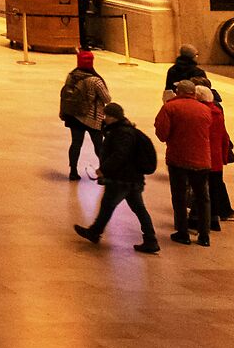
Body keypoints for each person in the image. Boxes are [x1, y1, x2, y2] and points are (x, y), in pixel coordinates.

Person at [74, 101, 160, 253]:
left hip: (122, 179)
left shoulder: (122, 133)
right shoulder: (122, 130)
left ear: (113, 117)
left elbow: (120, 155)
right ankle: (150, 239)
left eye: (106, 115)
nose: (104, 118)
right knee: (138, 209)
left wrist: (104, 170)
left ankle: (95, 232)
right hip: (132, 179)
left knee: (108, 205)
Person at [155, 79, 217, 246]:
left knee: (180, 196)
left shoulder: (170, 107)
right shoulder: (205, 109)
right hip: (202, 159)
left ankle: (183, 233)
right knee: (203, 198)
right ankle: (204, 236)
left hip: (178, 158)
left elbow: (162, 134)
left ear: (178, 92)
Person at [58, 51, 109, 180]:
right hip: (92, 118)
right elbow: (107, 98)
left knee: (76, 144)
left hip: (75, 116)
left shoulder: (72, 76)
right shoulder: (95, 80)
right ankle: (103, 173)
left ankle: (73, 171)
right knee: (99, 146)